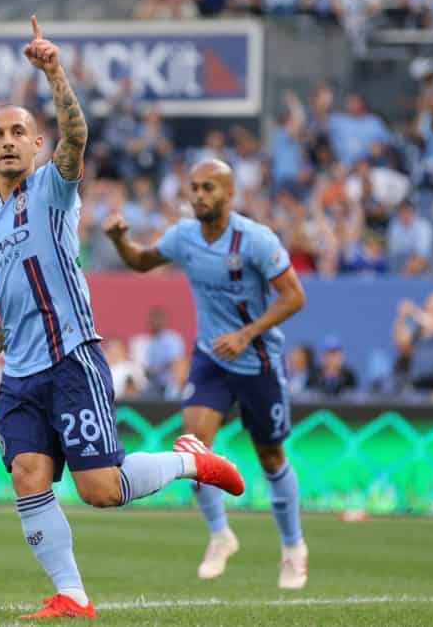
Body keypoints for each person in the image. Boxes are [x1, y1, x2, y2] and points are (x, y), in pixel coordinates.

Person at [0, 17, 244, 620]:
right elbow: (11, 300)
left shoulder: (52, 191)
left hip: (72, 360)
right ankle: (73, 596)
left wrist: (54, 73)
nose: (8, 141)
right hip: (22, 375)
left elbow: (77, 137)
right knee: (28, 475)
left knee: (100, 491)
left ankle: (193, 459)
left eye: (19, 132)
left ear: (35, 146)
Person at [103, 158, 308, 589]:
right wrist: (122, 242)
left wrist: (247, 333)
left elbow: (294, 297)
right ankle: (220, 535)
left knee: (271, 458)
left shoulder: (255, 241)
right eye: (194, 187)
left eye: (209, 188)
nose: (199, 195)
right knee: (195, 449)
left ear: (230, 194)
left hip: (257, 361)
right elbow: (141, 262)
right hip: (211, 358)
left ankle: (292, 548)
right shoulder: (184, 236)